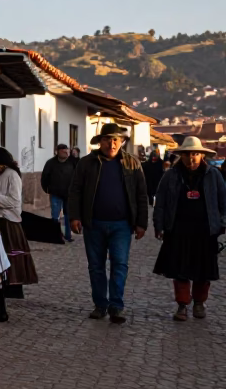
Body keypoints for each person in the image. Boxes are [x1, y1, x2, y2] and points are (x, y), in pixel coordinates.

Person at [68, 124, 149, 324]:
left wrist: (141, 223)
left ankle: (116, 306)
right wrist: (74, 217)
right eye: (107, 139)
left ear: (121, 142)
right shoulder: (87, 163)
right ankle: (100, 305)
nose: (111, 144)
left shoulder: (132, 163)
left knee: (119, 265)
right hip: (93, 223)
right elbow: (75, 190)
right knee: (96, 266)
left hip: (121, 225)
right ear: (100, 141)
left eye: (115, 140)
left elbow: (141, 194)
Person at [153, 137, 226, 321]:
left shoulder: (213, 175)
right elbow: (160, 202)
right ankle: (182, 304)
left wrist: (222, 223)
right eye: (187, 154)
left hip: (205, 230)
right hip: (178, 229)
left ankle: (199, 303)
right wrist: (159, 225)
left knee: (204, 271)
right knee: (180, 269)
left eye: (195, 153)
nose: (191, 158)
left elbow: (224, 201)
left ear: (202, 155)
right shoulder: (171, 175)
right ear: (181, 155)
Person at [0, 148, 39, 321]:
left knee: (8, 262)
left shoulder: (12, 175)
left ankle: (5, 299)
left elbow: (13, 201)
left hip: (9, 224)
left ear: (3, 163)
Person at [41, 144, 76, 242]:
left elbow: (77, 176)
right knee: (55, 216)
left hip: (68, 194)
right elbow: (44, 177)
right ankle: (55, 235)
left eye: (67, 151)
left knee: (68, 215)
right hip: (55, 193)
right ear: (58, 151)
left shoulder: (72, 162)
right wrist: (46, 189)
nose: (66, 152)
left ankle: (68, 236)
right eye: (63, 151)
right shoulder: (50, 163)